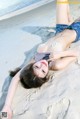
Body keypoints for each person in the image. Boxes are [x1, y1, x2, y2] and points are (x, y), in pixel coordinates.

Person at [1, 0, 80, 118]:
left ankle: (69, 17)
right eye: (43, 71)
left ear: (32, 66)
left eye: (37, 66)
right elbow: (77, 53)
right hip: (76, 30)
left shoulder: (39, 57)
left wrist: (6, 107)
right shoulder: (55, 64)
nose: (42, 65)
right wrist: (59, 54)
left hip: (60, 28)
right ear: (46, 75)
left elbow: (16, 78)